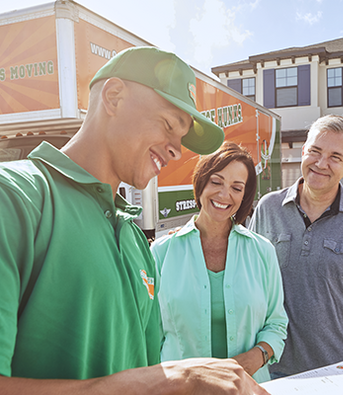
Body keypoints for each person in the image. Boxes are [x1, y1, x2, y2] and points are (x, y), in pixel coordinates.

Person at [0, 47, 269, 395]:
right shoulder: (16, 198)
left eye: (182, 138)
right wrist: (172, 379)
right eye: (170, 125)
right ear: (113, 97)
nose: (177, 150)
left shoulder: (136, 242)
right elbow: (150, 383)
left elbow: (144, 377)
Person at [249, 114, 343, 377]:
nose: (321, 163)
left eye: (335, 157)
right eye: (315, 151)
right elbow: (246, 278)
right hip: (268, 370)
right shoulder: (267, 208)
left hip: (334, 372)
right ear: (304, 151)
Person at [151, 141, 288, 384]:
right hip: (180, 390)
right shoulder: (161, 252)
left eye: (237, 188)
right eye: (216, 182)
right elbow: (148, 333)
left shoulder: (263, 252)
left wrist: (256, 357)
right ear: (201, 183)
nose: (225, 195)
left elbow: (276, 323)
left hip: (249, 385)